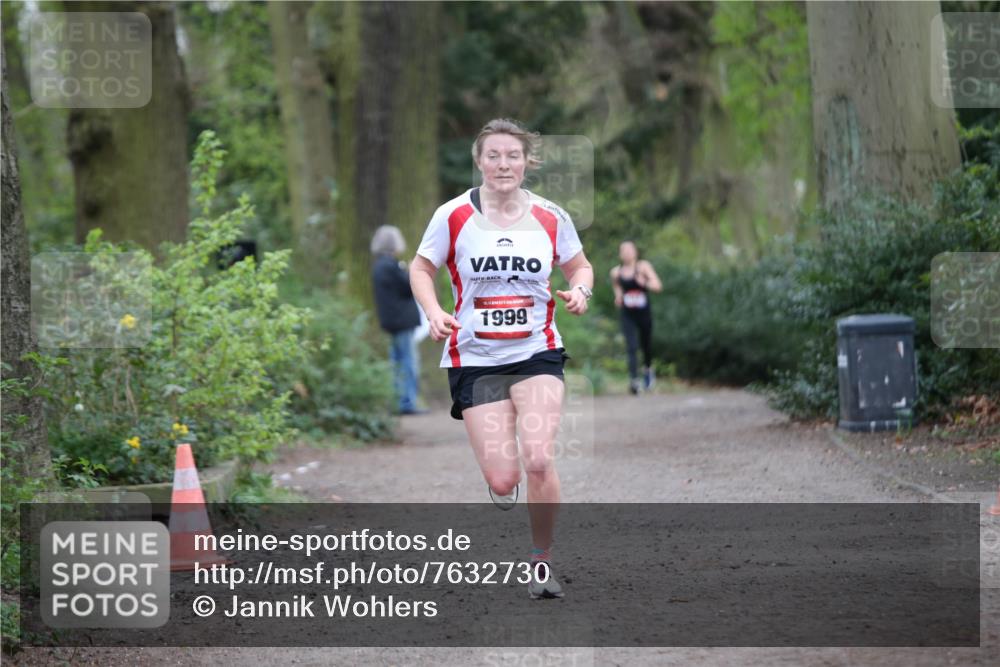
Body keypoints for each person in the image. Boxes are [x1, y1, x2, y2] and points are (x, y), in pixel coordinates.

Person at [410, 118, 593, 599]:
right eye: (493, 155)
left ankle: (541, 561)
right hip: (475, 358)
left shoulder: (552, 215)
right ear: (479, 161)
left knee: (537, 458)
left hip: (537, 352)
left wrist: (581, 291)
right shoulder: (453, 215)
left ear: (527, 161)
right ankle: (504, 477)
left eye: (512, 155)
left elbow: (579, 265)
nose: (503, 164)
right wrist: (433, 312)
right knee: (504, 476)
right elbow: (421, 267)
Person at [371, 225, 425, 415]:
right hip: (402, 321)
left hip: (391, 321)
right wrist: (411, 271)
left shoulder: (379, 265)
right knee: (408, 362)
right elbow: (409, 286)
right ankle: (407, 402)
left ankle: (399, 400)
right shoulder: (391, 266)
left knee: (397, 362)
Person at [610, 241, 662, 394]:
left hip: (644, 313)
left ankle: (647, 370)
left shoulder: (643, 267)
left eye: (629, 250)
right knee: (631, 346)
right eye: (623, 250)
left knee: (646, 345)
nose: (626, 253)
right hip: (628, 314)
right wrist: (618, 297)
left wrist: (644, 283)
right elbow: (617, 289)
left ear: (635, 252)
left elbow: (658, 286)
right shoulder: (616, 272)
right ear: (620, 254)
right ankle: (634, 381)